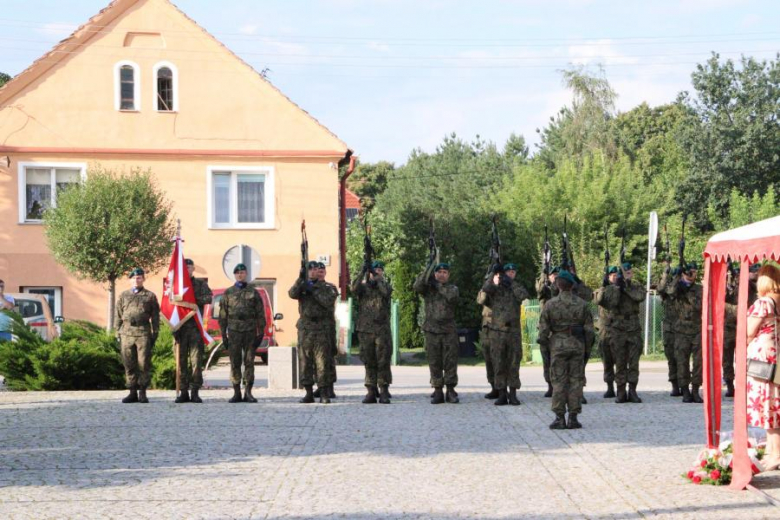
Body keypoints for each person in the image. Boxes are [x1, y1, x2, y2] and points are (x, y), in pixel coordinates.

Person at [538, 270, 595, 429]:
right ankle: (573, 418)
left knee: (558, 382)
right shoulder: (582, 304)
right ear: (572, 286)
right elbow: (589, 331)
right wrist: (586, 349)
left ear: (557, 285)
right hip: (577, 346)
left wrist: (545, 344)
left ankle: (559, 417)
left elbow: (543, 330)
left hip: (558, 346)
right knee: (576, 381)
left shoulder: (550, 304)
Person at [595, 262, 646, 403]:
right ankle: (621, 391)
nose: (626, 275)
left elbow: (640, 297)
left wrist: (627, 287)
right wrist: (618, 287)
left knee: (634, 362)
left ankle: (633, 391)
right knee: (620, 362)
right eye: (624, 273)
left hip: (633, 329)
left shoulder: (636, 286)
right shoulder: (611, 288)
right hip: (617, 330)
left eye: (629, 272)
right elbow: (610, 303)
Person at [746, 263, 780, 471]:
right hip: (777, 354)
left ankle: (775, 453)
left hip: (763, 358)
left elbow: (749, 331)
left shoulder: (764, 303)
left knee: (768, 405)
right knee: (776, 403)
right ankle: (771, 449)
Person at [289, 261, 339, 404]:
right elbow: (292, 294)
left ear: (319, 271)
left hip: (322, 329)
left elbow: (327, 301)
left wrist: (313, 290)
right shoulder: (303, 285)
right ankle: (308, 392)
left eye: (315, 269)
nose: (312, 272)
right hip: (305, 329)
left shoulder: (327, 288)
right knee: (305, 362)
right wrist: (300, 279)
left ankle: (324, 392)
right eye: (309, 270)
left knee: (321, 362)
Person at [480, 263, 529, 406]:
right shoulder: (495, 287)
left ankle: (513, 394)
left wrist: (511, 283)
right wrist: (492, 276)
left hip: (513, 331)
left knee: (514, 363)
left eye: (513, 272)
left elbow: (523, 295)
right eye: (508, 272)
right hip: (497, 331)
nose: (511, 274)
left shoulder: (516, 286)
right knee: (498, 363)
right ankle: (502, 393)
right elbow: (484, 295)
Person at [218, 264, 266, 403]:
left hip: (250, 330)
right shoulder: (228, 293)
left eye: (243, 272)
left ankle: (248, 392)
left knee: (249, 361)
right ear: (234, 275)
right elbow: (223, 315)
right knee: (235, 362)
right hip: (234, 331)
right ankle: (236, 392)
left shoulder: (253, 292)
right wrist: (223, 334)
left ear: (246, 274)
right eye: (238, 272)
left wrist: (261, 332)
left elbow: (260, 314)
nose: (240, 275)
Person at [414, 262, 459, 404]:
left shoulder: (452, 288)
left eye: (445, 272)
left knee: (450, 361)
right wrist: (428, 266)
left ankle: (450, 390)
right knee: (434, 361)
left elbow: (452, 298)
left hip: (448, 331)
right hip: (432, 331)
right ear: (435, 274)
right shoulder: (429, 289)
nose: (442, 275)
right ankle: (438, 389)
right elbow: (417, 286)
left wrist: (438, 286)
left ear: (448, 275)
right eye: (439, 272)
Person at [115, 268, 160, 404]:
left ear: (143, 279)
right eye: (134, 278)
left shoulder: (150, 296)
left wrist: (155, 332)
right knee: (129, 364)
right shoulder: (123, 295)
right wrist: (117, 332)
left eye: (139, 278)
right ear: (130, 280)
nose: (136, 280)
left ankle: (142, 392)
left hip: (143, 333)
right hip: (127, 334)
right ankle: (132, 392)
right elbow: (117, 315)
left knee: (143, 364)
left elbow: (155, 316)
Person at [352, 260, 393, 404]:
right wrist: (362, 271)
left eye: (380, 270)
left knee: (383, 361)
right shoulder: (363, 288)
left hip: (382, 330)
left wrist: (378, 280)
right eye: (375, 270)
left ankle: (383, 389)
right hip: (365, 330)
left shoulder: (385, 286)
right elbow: (353, 289)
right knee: (368, 360)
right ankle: (370, 389)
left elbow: (386, 293)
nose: (377, 272)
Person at [173, 259, 213, 404]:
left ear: (193, 268)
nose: (186, 269)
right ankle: (183, 392)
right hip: (180, 328)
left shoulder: (201, 284)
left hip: (196, 328)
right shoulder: (176, 286)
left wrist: (192, 299)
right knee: (181, 362)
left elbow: (209, 297)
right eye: (184, 267)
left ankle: (195, 391)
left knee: (196, 362)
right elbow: (170, 305)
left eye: (188, 267)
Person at [663, 262, 703, 403]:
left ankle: (696, 390)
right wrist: (677, 278)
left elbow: (699, 306)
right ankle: (685, 390)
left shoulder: (699, 289)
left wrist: (688, 290)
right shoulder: (677, 288)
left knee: (698, 362)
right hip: (680, 330)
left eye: (694, 271)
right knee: (682, 362)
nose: (692, 274)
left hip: (697, 329)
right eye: (689, 272)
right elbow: (669, 292)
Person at [536, 267, 560, 397]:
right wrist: (543, 275)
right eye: (552, 275)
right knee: (547, 360)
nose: (554, 277)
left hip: (558, 330)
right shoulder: (544, 289)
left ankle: (559, 386)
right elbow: (539, 291)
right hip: (546, 330)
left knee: (558, 359)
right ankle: (550, 385)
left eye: (557, 275)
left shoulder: (561, 289)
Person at [659, 263, 681, 397]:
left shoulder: (681, 289)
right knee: (671, 359)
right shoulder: (666, 291)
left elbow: (675, 290)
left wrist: (680, 277)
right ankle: (675, 384)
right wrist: (665, 275)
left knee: (682, 359)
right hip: (669, 329)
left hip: (682, 328)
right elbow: (662, 289)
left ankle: (684, 384)